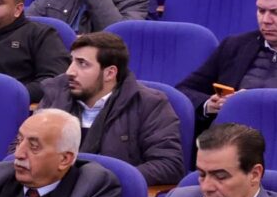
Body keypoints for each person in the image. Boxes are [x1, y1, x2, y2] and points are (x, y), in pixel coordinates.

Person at [43, 31, 185, 186]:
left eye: (82, 63)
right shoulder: (56, 94)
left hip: (112, 195)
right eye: (72, 61)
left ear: (109, 73)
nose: (70, 72)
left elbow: (168, 165)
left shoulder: (149, 104)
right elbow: (26, 149)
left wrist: (102, 181)